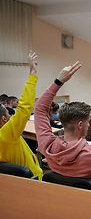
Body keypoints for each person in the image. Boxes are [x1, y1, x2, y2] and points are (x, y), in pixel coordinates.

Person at [34, 61, 91, 187]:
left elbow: (39, 108)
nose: (89, 125)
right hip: (89, 200)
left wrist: (58, 81)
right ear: (80, 125)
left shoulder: (47, 145)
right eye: (88, 121)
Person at [0, 51, 43, 179]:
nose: (11, 117)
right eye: (8, 114)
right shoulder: (7, 134)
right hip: (33, 180)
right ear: (4, 119)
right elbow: (24, 108)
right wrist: (32, 75)